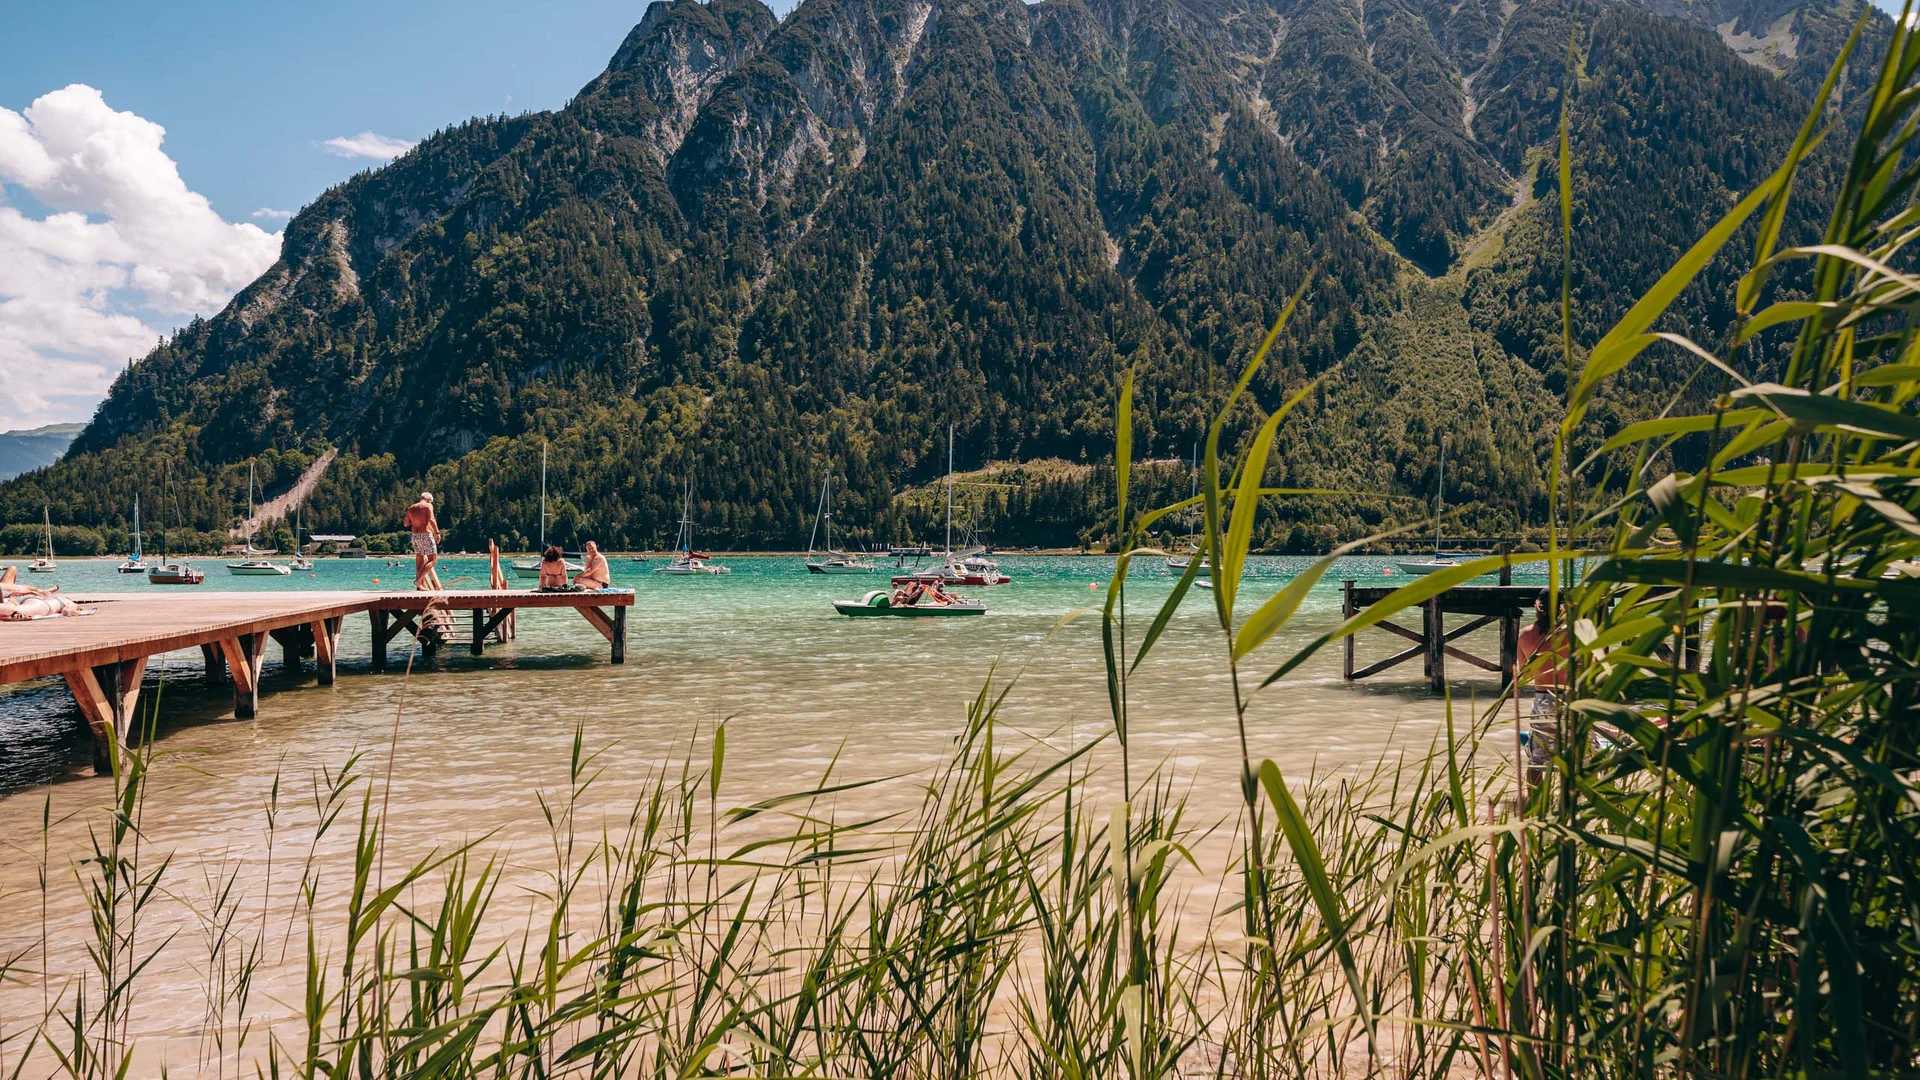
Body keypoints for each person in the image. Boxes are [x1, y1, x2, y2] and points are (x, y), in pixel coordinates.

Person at [1515, 589, 1571, 772]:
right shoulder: (1577, 632)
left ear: (1537, 606)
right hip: (1573, 700)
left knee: (1538, 761)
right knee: (1583, 758)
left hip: (1543, 700)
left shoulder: (1525, 634)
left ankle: (1535, 800)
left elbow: (1526, 674)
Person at [403, 493, 442, 591]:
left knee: (419, 560)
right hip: (425, 534)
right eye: (431, 501)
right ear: (428, 499)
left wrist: (416, 520)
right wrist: (437, 532)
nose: (431, 503)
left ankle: (420, 586)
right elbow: (431, 519)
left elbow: (406, 523)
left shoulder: (411, 508)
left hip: (415, 536)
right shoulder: (428, 506)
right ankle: (419, 580)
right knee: (433, 559)